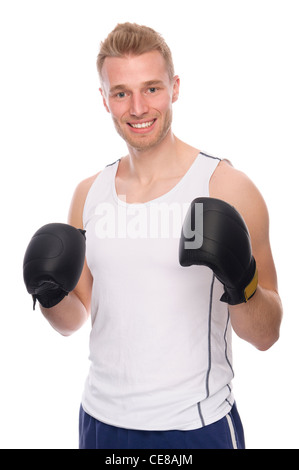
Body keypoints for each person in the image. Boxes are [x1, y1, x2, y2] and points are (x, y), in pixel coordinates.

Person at [24, 23, 283, 449]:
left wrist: (243, 282)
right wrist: (50, 295)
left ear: (175, 88)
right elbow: (75, 320)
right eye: (122, 92)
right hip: (100, 421)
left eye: (152, 88)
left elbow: (267, 335)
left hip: (195, 427)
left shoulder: (225, 186)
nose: (139, 107)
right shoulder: (89, 194)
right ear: (105, 99)